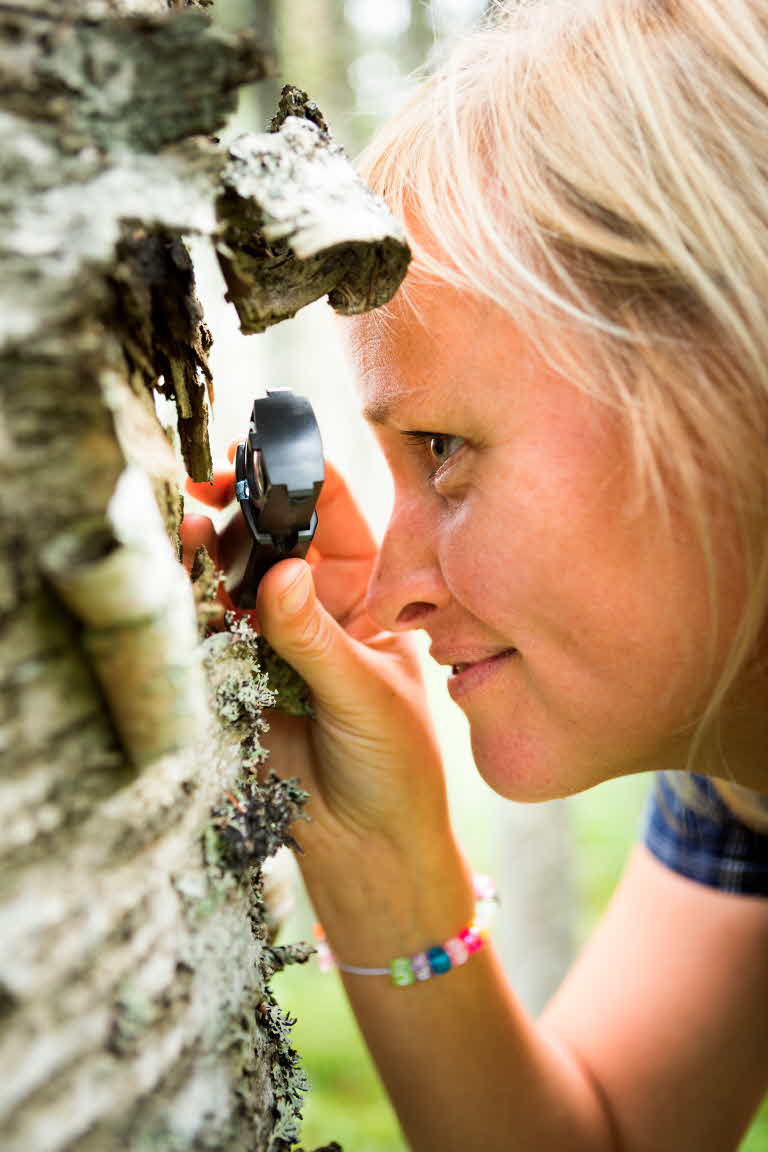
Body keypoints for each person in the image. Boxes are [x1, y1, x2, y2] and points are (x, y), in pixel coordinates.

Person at [183, 1, 768, 1148]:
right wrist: (379, 849)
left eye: (444, 451)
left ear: (737, 397)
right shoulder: (736, 781)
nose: (392, 589)